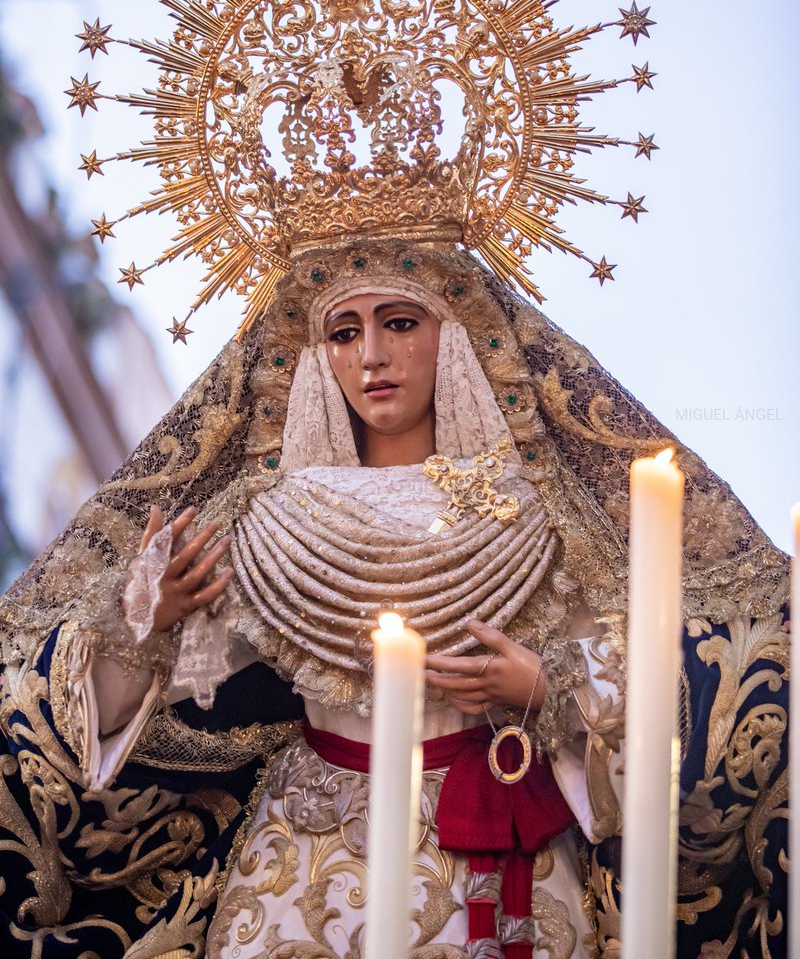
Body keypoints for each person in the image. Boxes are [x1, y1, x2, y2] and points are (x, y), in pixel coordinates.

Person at [0, 237, 790, 958]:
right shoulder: (271, 525)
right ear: (316, 356)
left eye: (401, 322)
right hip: (302, 858)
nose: (372, 355)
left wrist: (546, 692)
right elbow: (90, 719)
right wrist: (151, 623)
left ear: (458, 333)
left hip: (496, 857)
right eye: (344, 332)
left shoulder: (536, 517)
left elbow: (659, 677)